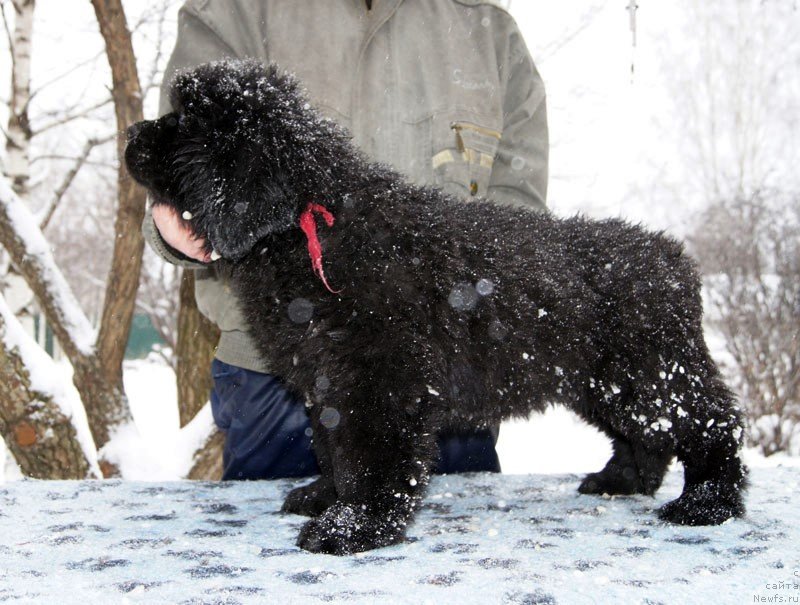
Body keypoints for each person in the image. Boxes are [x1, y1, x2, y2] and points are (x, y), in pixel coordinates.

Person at [144, 0, 548, 480]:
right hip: (278, 373)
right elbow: (177, 163)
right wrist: (177, 221)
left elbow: (517, 215)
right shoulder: (236, 10)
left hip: (446, 373)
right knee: (270, 528)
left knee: (455, 528)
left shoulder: (487, 29)